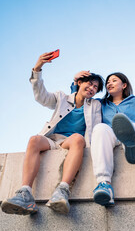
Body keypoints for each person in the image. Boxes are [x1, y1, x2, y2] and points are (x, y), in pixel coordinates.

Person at [1, 52, 104, 215]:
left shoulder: (95, 106)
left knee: (77, 138)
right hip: (53, 140)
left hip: (72, 142)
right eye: (89, 84)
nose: (91, 89)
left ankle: (62, 191)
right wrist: (37, 69)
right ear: (78, 83)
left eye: (95, 88)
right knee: (34, 139)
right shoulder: (61, 97)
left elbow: (97, 128)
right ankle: (25, 193)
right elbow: (41, 97)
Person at [71, 71, 135, 207]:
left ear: (124, 85)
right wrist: (76, 83)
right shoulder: (100, 104)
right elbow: (80, 100)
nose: (109, 83)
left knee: (134, 127)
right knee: (100, 128)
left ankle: (134, 146)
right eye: (108, 82)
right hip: (113, 134)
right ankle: (104, 185)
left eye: (114, 80)